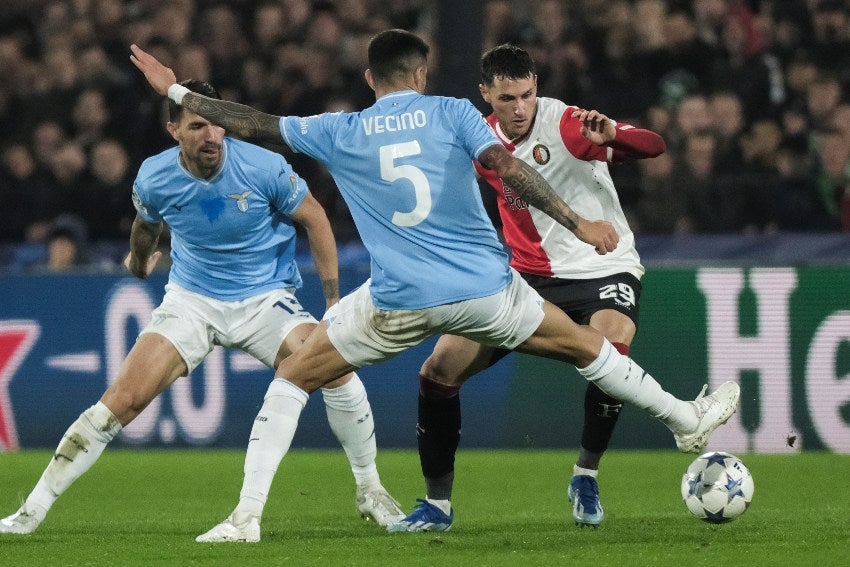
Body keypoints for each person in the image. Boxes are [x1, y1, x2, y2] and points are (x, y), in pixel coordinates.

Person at [128, 29, 739, 539]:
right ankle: (684, 417)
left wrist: (177, 90)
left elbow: (253, 123)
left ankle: (246, 518)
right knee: (588, 349)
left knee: (293, 376)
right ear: (421, 75)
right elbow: (508, 168)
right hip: (487, 292)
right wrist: (579, 221)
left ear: (370, 80)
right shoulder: (453, 114)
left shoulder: (338, 131)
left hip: (397, 300)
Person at [0, 80, 403, 541]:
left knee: (335, 370)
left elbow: (315, 218)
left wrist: (331, 301)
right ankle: (29, 512)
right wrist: (136, 262)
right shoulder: (154, 176)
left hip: (265, 297)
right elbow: (145, 227)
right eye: (197, 125)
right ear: (174, 129)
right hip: (192, 301)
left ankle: (370, 489)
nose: (211, 135)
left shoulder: (264, 166)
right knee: (121, 402)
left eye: (217, 123)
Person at [395, 43, 667, 531]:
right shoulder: (477, 139)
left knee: (611, 353)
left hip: (602, 265)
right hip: (525, 278)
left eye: (525, 95)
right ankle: (436, 506)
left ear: (536, 86)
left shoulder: (565, 124)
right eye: (506, 99)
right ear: (486, 95)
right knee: (438, 370)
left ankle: (585, 473)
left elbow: (654, 146)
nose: (519, 109)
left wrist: (615, 136)